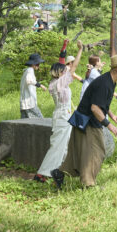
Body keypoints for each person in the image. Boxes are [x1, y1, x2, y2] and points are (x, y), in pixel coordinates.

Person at [50, 53, 117, 189]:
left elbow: (102, 102)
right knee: (96, 152)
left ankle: (59, 173)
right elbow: (95, 108)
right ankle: (88, 184)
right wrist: (110, 126)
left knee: (78, 153)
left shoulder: (111, 81)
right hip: (88, 121)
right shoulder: (104, 83)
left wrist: (112, 115)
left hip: (85, 119)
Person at [34, 41, 84, 182]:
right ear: (59, 73)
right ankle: (42, 173)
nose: (66, 71)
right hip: (63, 116)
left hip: (61, 114)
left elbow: (64, 66)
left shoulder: (53, 83)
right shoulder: (60, 82)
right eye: (63, 71)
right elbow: (74, 67)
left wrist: (64, 48)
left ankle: (61, 171)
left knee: (64, 145)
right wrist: (80, 50)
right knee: (57, 146)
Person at [20, 53, 45, 118]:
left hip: (24, 103)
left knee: (24, 122)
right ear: (33, 64)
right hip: (29, 103)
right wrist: (40, 85)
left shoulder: (26, 71)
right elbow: (29, 80)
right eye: (37, 64)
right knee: (40, 120)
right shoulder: (30, 70)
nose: (38, 66)